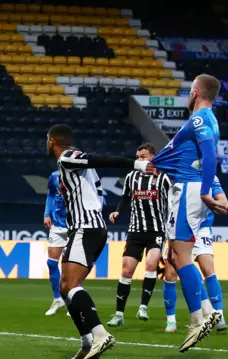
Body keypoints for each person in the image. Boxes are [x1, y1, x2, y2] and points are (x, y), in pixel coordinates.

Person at [46, 124, 153, 359]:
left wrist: (138, 165)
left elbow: (101, 159)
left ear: (52, 141)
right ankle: (87, 343)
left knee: (70, 285)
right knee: (66, 288)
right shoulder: (75, 165)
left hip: (86, 228)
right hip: (91, 228)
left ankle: (100, 335)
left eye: (47, 139)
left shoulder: (67, 157)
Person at [151, 74, 224, 352]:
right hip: (190, 188)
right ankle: (207, 311)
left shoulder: (199, 119)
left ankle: (197, 319)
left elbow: (209, 156)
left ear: (195, 92)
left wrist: (206, 190)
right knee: (174, 254)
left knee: (180, 256)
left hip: (188, 191)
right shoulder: (209, 119)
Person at [106, 143, 171, 327]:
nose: (140, 160)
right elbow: (126, 197)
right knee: (126, 270)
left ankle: (143, 306)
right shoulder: (131, 177)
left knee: (152, 264)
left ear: (152, 157)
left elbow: (173, 200)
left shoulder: (163, 178)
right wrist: (118, 211)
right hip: (135, 230)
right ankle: (119, 314)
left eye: (143, 157)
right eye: (138, 157)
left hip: (157, 230)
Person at [162, 176, 226, 333]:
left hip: (201, 226)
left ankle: (218, 316)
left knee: (207, 268)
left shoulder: (209, 173)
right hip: (177, 226)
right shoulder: (172, 172)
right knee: (170, 272)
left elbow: (219, 194)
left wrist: (221, 202)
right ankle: (171, 321)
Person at [42, 169, 68, 316]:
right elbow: (51, 194)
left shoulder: (82, 175)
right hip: (57, 225)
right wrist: (47, 213)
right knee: (52, 263)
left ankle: (72, 301)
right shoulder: (54, 175)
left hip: (75, 225)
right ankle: (58, 299)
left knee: (71, 266)